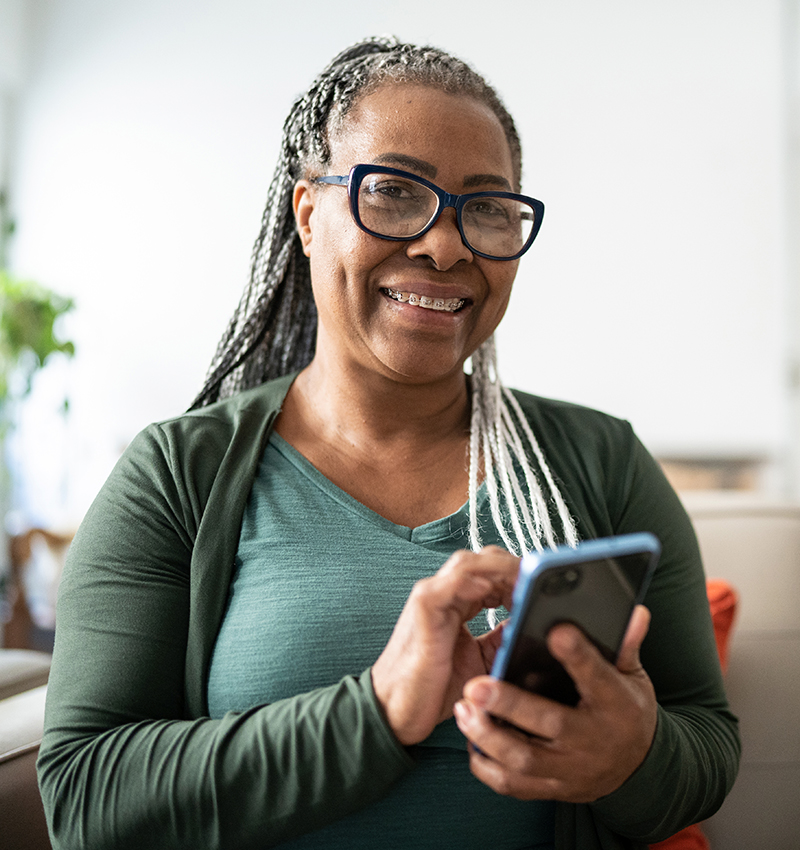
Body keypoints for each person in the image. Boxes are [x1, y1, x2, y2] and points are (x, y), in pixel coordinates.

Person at [37, 37, 740, 850]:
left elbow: (709, 747)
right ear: (308, 214)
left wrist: (634, 757)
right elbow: (85, 800)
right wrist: (375, 715)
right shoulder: (176, 475)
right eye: (396, 192)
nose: (446, 246)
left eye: (485, 209)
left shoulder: (602, 461)